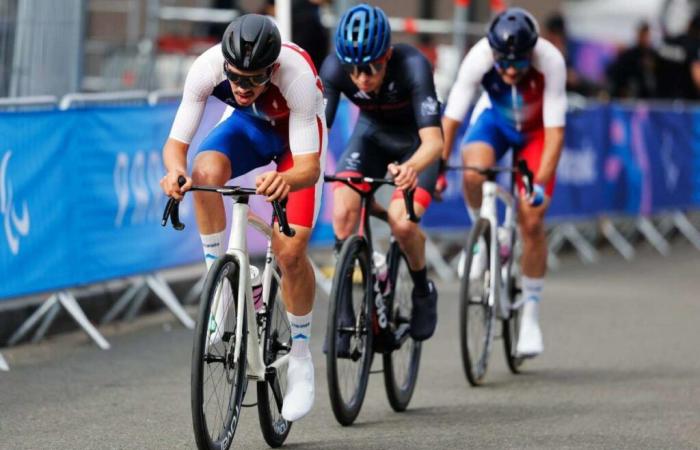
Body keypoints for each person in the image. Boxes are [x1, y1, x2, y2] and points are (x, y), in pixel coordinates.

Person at [159, 14, 326, 422]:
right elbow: (175, 146)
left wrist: (284, 179)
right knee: (204, 173)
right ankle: (223, 286)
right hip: (248, 129)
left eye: (253, 80)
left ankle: (301, 358)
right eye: (235, 78)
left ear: (272, 70)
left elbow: (310, 168)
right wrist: (174, 173)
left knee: (289, 253)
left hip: (295, 144)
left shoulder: (297, 77)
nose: (241, 87)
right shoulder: (206, 68)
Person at [439, 7, 567, 358]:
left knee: (532, 218)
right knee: (472, 170)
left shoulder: (550, 60)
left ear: (532, 54)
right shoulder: (478, 56)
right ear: (493, 53)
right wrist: (436, 167)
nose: (510, 70)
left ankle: (529, 317)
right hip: (495, 121)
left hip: (537, 132)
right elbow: (451, 120)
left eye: (519, 64)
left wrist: (538, 183)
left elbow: (556, 134)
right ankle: (483, 237)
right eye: (504, 63)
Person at [320, 4, 443, 345]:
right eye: (354, 70)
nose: (361, 78)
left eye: (371, 68)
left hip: (415, 145)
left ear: (387, 55)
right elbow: (317, 132)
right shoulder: (333, 68)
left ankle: (422, 290)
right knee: (343, 207)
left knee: (402, 223)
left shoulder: (413, 65)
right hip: (372, 135)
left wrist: (411, 168)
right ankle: (343, 312)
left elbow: (434, 142)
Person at [607, 21, 660, 99]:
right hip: (632, 97)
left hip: (650, 98)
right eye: (642, 35)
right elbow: (619, 74)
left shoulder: (653, 54)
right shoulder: (629, 55)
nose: (645, 38)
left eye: (647, 35)